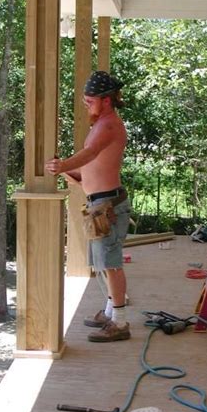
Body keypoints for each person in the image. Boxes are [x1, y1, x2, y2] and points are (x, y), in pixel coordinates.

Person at [45, 70, 131, 342]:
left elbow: (90, 154)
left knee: (111, 264)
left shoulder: (108, 125)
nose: (86, 105)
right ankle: (110, 311)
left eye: (90, 100)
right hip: (99, 203)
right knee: (103, 264)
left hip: (108, 205)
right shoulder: (102, 124)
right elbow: (93, 168)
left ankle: (120, 321)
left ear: (106, 100)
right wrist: (71, 174)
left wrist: (64, 165)